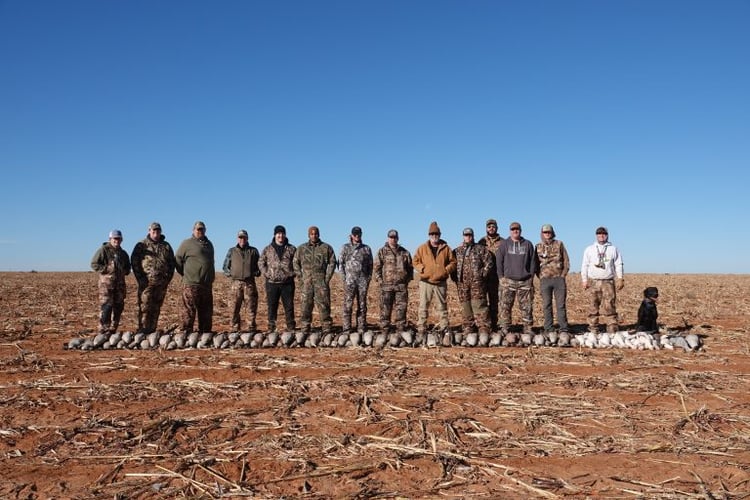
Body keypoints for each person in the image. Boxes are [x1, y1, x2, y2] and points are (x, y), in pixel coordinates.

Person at [413, 221, 457, 339]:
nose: (434, 236)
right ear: (429, 235)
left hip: (440, 282)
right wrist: (422, 269)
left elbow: (453, 262)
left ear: (439, 235)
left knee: (442, 307)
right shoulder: (422, 248)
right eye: (432, 234)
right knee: (423, 306)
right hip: (425, 282)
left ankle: (444, 328)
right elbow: (415, 261)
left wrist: (446, 270)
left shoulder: (446, 248)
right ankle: (421, 328)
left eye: (436, 234)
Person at [131, 222, 176, 334]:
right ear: (149, 231)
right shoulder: (141, 245)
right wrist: (140, 279)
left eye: (158, 231)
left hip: (161, 284)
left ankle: (152, 330)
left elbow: (171, 264)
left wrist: (167, 279)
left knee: (156, 307)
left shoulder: (166, 246)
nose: (156, 233)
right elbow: (134, 262)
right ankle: (142, 331)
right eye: (154, 231)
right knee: (145, 307)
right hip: (146, 283)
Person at [452, 227, 493, 344]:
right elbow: (452, 264)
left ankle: (483, 327)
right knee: (466, 305)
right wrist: (455, 278)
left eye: (470, 235)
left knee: (479, 304)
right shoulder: (457, 251)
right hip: (462, 284)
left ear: (473, 236)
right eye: (466, 235)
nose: (468, 237)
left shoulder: (480, 249)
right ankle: (468, 327)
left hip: (477, 283)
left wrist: (482, 274)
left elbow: (489, 262)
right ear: (463, 236)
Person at [294, 226, 337, 336]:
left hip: (321, 281)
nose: (314, 235)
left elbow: (332, 262)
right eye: (312, 234)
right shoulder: (301, 248)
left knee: (324, 305)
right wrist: (300, 278)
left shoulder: (326, 248)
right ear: (309, 235)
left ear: (319, 234)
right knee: (305, 305)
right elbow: (295, 263)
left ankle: (326, 328)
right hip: (306, 281)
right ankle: (305, 327)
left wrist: (326, 278)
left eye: (316, 233)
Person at [581, 226, 624, 334]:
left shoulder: (613, 249)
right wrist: (584, 280)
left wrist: (620, 278)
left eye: (603, 233)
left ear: (607, 235)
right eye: (599, 233)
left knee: (610, 305)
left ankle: (612, 328)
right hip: (593, 282)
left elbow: (618, 264)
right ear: (596, 235)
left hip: (608, 281)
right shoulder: (589, 249)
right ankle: (593, 328)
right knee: (593, 306)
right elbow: (584, 265)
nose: (601, 235)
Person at [496, 222, 537, 335]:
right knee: (505, 305)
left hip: (525, 281)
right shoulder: (504, 244)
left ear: (520, 230)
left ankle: (527, 327)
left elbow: (533, 261)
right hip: (508, 281)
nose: (515, 231)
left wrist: (531, 276)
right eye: (513, 229)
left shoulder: (528, 244)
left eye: (517, 229)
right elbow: (499, 261)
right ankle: (505, 327)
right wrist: (501, 277)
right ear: (510, 231)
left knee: (527, 306)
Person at [175, 221, 215, 334]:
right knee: (188, 312)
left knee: (206, 312)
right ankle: (185, 334)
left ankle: (205, 334)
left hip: (206, 285)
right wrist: (186, 273)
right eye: (198, 229)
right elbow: (178, 260)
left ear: (205, 230)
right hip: (191, 284)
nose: (200, 231)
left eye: (202, 229)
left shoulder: (209, 244)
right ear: (193, 230)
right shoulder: (186, 243)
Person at [91, 229, 131, 334]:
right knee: (106, 307)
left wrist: (124, 271)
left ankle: (113, 329)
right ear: (110, 239)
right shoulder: (103, 250)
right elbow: (94, 264)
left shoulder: (123, 254)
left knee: (119, 306)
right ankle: (104, 329)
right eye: (115, 238)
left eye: (118, 238)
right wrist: (107, 269)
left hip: (120, 286)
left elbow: (128, 268)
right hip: (106, 286)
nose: (116, 240)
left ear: (121, 240)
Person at [374, 229, 413, 333]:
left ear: (398, 238)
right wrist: (380, 281)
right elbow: (376, 268)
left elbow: (410, 268)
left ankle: (400, 329)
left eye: (395, 237)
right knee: (385, 309)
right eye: (391, 237)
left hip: (401, 287)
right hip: (386, 286)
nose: (393, 239)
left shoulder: (404, 252)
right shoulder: (382, 251)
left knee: (401, 309)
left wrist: (406, 281)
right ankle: (385, 329)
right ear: (388, 238)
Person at [259, 225, 297, 333]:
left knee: (289, 306)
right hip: (272, 283)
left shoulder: (292, 249)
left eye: (282, 233)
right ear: (275, 235)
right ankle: (272, 328)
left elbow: (298, 263)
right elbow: (261, 262)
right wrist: (267, 274)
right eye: (278, 233)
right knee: (272, 306)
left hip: (287, 283)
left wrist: (292, 274)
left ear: (285, 235)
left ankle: (291, 327)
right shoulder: (267, 249)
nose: (280, 235)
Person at [223, 229, 261, 332]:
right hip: (236, 284)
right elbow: (225, 267)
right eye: (240, 237)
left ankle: (251, 329)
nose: (242, 239)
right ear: (237, 238)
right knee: (234, 309)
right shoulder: (232, 251)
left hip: (250, 283)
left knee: (251, 309)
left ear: (247, 238)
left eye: (244, 237)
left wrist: (257, 272)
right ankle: (234, 330)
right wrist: (232, 275)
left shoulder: (253, 251)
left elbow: (260, 265)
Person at [535, 224, 570, 334]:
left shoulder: (559, 244)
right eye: (545, 232)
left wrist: (563, 275)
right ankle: (548, 328)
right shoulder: (538, 246)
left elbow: (566, 260)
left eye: (549, 232)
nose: (547, 234)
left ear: (552, 232)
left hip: (558, 279)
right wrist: (540, 276)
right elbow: (535, 263)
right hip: (545, 280)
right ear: (542, 233)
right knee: (546, 305)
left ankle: (563, 328)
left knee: (560, 305)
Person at [339, 226, 373, 334]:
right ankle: (347, 328)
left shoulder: (366, 248)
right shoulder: (345, 248)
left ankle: (361, 327)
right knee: (348, 305)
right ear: (351, 235)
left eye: (359, 234)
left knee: (362, 305)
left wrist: (367, 279)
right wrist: (344, 279)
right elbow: (340, 264)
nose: (357, 236)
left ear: (361, 234)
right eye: (355, 234)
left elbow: (371, 266)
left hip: (362, 281)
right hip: (350, 281)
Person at [478, 218, 503, 332]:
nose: (491, 228)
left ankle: (494, 324)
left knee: (494, 302)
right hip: (483, 277)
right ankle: (483, 325)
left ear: (496, 228)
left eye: (493, 227)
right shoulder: (481, 242)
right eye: (489, 227)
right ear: (486, 228)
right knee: (482, 302)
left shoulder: (503, 242)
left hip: (496, 277)